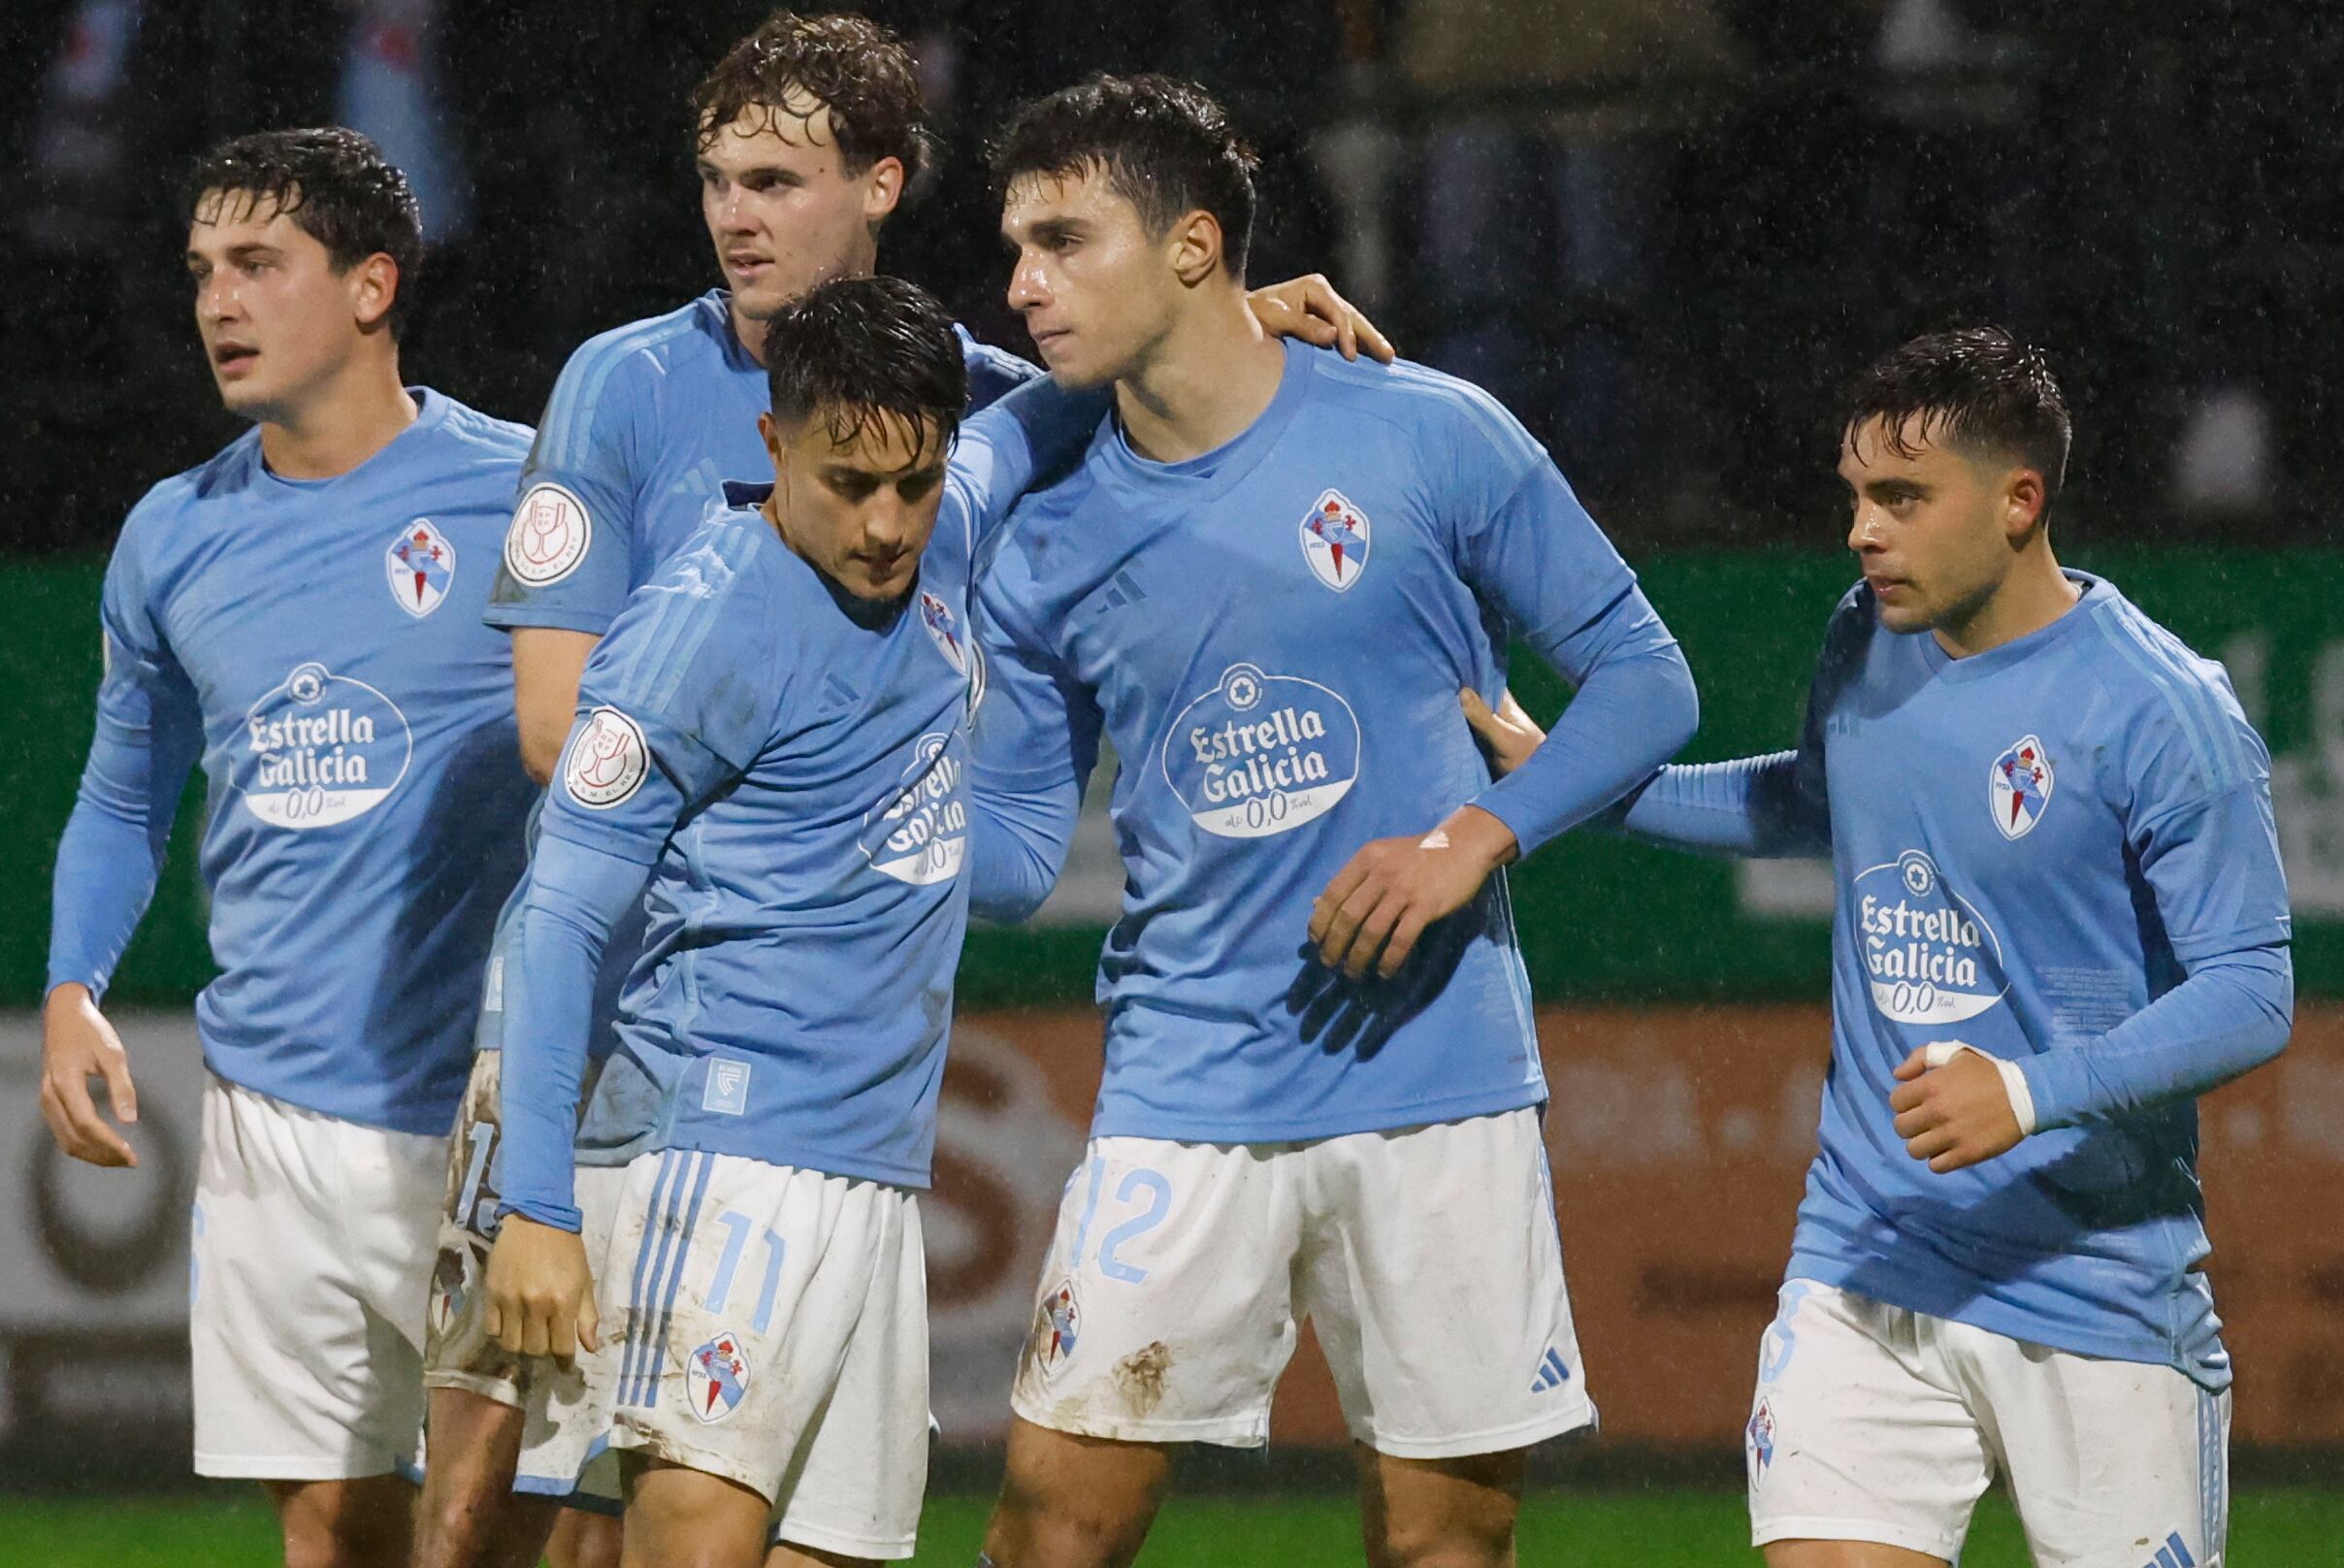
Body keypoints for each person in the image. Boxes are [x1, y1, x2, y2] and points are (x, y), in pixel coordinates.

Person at [414, 15, 1389, 1566]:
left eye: (777, 180)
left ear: (880, 185)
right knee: (493, 1491)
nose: (736, 213)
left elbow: (1049, 423)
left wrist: (1218, 317)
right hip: (646, 1036)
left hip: (852, 1123)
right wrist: (774, 832)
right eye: (717, 178)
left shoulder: (950, 412)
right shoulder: (631, 413)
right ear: (771, 449)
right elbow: (566, 772)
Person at [964, 74, 1699, 1568]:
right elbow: (1018, 852)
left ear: (1191, 248)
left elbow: (1646, 682)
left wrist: (1475, 840)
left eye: (1063, 240)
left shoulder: (1429, 434)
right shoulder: (1043, 531)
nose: (1023, 284)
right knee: (1054, 1526)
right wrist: (842, 805)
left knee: (1442, 1546)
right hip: (1187, 1083)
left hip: (1438, 1081)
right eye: (1016, 246)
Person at [1473, 328, 2292, 1568]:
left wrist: (2025, 1091)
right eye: (1855, 494)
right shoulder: (1867, 633)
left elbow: (2250, 990)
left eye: (1901, 498)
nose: (1862, 530)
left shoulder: (2160, 708)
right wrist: (1582, 784)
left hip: (2095, 1287)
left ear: (2020, 500)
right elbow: (1815, 799)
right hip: (1869, 1251)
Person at [477, 276, 1100, 1568]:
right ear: (772, 447)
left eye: (911, 485)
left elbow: (1043, 423)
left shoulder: (941, 518)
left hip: (875, 1176)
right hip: (728, 1158)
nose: (885, 525)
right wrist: (537, 1206)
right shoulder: (698, 633)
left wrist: (1246, 324)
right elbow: (559, 914)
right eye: (846, 486)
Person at [40, 127, 537, 1568]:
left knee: (494, 1527)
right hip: (269, 1114)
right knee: (331, 1534)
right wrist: (74, 985)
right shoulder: (172, 536)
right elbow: (125, 797)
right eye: (202, 271)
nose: (217, 304)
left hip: (489, 1110)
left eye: (259, 265)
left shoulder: (527, 495)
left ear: (373, 285)